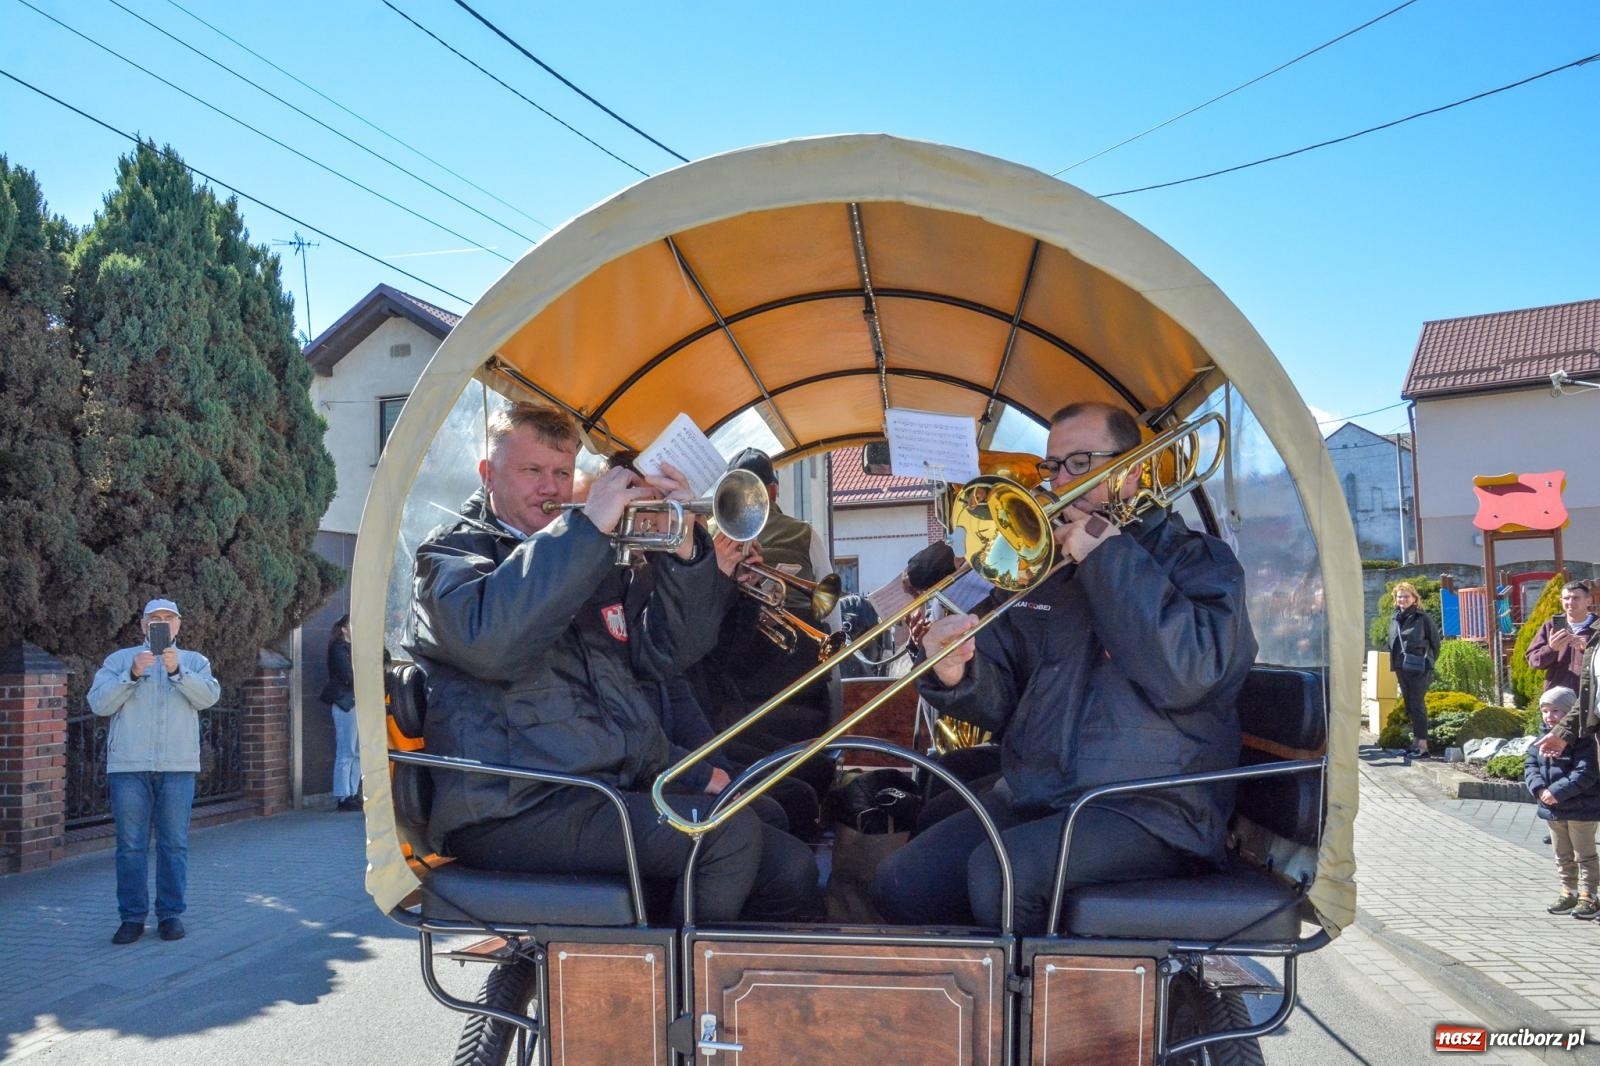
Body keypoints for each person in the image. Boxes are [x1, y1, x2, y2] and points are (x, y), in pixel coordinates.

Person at [406, 403, 817, 923]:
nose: (550, 489)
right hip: (513, 805)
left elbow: (664, 653)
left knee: (782, 860)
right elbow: (493, 642)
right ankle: (680, 988)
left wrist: (687, 556)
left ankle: (752, 983)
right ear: (488, 474)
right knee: (726, 838)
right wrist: (586, 533)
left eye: (560, 473)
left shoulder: (581, 560)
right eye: (531, 471)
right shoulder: (450, 558)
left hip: (592, 787)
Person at [869, 401, 1257, 935]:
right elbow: (1001, 698)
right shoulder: (1046, 569)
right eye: (1052, 467)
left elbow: (1191, 674)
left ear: (1133, 469)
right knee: (900, 886)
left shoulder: (1199, 561)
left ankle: (1041, 1012)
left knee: (998, 878)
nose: (1057, 482)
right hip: (1044, 793)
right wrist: (956, 672)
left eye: (1079, 463)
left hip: (1152, 807)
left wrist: (1109, 559)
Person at [88, 598, 222, 945]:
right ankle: (132, 918)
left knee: (173, 845)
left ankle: (170, 915)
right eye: (154, 618)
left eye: (168, 618)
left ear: (178, 625)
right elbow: (99, 703)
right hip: (129, 768)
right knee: (130, 846)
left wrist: (179, 673)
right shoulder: (121, 660)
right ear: (143, 625)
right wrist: (131, 674)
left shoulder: (195, 661)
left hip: (178, 767)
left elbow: (208, 697)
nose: (161, 623)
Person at [1524, 686, 1600, 919]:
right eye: (1545, 711)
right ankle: (1569, 891)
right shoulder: (1540, 740)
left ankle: (1589, 896)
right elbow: (1530, 766)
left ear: (1570, 712)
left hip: (1581, 809)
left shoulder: (1583, 741)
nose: (1549, 716)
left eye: (1556, 710)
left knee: (1584, 855)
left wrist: (1557, 791)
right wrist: (1539, 789)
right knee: (1562, 854)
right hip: (1553, 810)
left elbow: (1586, 773)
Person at [1387, 582, 1440, 758]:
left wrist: (1426, 663)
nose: (1402, 599)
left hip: (1419, 669)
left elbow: (1435, 644)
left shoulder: (1422, 618)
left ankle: (1423, 745)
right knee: (1410, 705)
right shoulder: (1395, 618)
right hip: (1401, 667)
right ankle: (1415, 743)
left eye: (1406, 596)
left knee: (1417, 705)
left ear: (1414, 598)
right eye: (1400, 596)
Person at [1526, 581, 1598, 694]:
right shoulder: (1551, 626)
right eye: (1566, 598)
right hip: (1557, 698)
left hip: (1592, 695)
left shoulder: (1597, 627)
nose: (1570, 602)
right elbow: (1534, 662)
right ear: (1561, 601)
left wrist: (1588, 650)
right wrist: (1551, 649)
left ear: (1588, 601)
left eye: (1576, 598)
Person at [323, 615, 361, 811]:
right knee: (347, 751)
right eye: (352, 625)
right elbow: (349, 675)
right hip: (346, 703)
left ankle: (353, 793)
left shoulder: (352, 649)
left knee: (357, 752)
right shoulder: (338, 648)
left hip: (355, 702)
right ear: (344, 629)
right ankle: (343, 796)